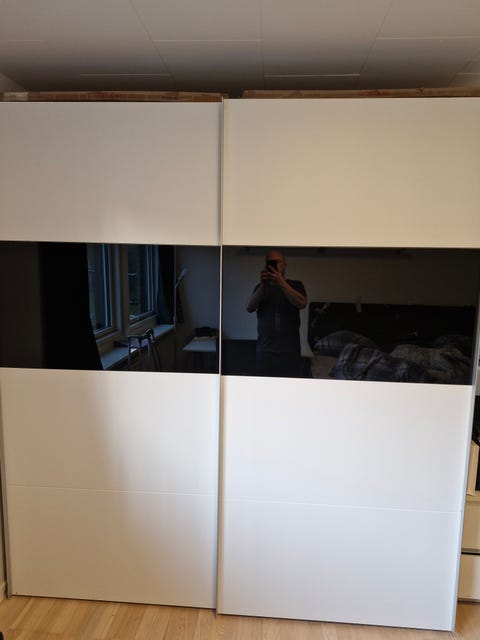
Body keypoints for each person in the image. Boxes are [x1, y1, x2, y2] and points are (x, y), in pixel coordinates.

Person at [246, 249, 307, 377]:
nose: (274, 265)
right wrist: (263, 285)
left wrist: (281, 282)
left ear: (284, 265)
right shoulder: (260, 288)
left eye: (278, 262)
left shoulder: (295, 285)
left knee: (289, 387)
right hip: (265, 351)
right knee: (264, 387)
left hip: (290, 351)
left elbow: (302, 303)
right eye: (270, 262)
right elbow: (249, 308)